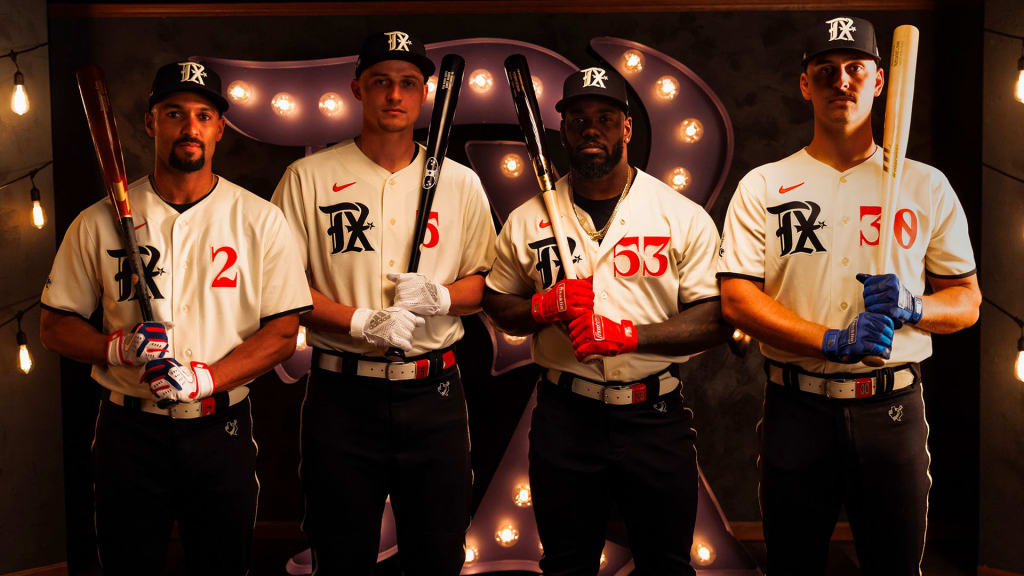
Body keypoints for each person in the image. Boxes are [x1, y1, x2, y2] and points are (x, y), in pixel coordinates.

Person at [717, 16, 981, 575]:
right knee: (793, 566)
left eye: (856, 68)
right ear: (805, 84)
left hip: (892, 410)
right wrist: (831, 340)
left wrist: (914, 307)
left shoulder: (924, 185)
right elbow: (738, 300)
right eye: (826, 70)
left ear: (881, 81)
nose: (843, 81)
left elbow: (966, 301)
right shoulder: (763, 185)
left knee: (894, 567)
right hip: (796, 409)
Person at [39, 60, 312, 575]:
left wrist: (205, 378)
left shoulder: (259, 219)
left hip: (221, 429)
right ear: (150, 122)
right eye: (175, 113)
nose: (190, 127)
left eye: (204, 115)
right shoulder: (99, 219)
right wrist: (114, 348)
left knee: (223, 566)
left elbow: (282, 333)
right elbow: (53, 326)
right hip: (128, 431)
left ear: (219, 128)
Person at [483, 66, 729, 576]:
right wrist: (542, 307)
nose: (590, 129)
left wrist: (628, 336)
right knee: (568, 563)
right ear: (563, 131)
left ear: (627, 128)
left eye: (605, 118)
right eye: (577, 120)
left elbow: (714, 319)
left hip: (654, 414)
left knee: (666, 563)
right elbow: (497, 301)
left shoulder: (678, 215)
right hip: (564, 417)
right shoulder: (530, 218)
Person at [270, 31, 496, 576]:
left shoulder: (461, 184)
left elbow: (487, 284)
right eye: (380, 82)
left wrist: (442, 296)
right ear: (357, 90)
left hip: (434, 392)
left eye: (407, 84)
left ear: (424, 94)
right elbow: (280, 291)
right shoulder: (307, 178)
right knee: (341, 554)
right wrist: (360, 320)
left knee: (437, 554)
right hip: (341, 395)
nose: (394, 95)